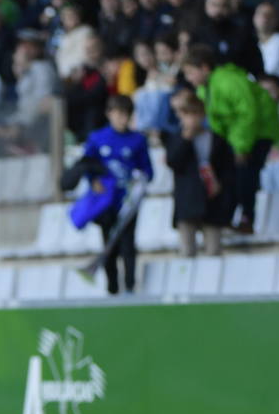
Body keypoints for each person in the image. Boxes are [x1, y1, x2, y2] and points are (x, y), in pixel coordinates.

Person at [182, 44, 279, 233]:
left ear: (204, 68)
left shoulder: (229, 82)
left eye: (190, 72)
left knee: (245, 173)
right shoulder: (204, 90)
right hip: (236, 137)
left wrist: (241, 148)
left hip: (258, 132)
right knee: (229, 174)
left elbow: (247, 115)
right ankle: (226, 217)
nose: (188, 78)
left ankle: (247, 218)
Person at [82, 95, 153, 293]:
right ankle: (112, 288)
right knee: (109, 245)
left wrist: (139, 179)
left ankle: (130, 286)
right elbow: (87, 165)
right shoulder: (97, 138)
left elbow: (148, 170)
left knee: (128, 245)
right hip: (106, 202)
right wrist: (94, 181)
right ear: (109, 114)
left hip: (128, 202)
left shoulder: (138, 140)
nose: (122, 118)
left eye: (126, 114)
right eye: (118, 114)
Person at [165, 97, 235, 256]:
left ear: (203, 115)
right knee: (187, 251)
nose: (192, 119)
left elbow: (227, 169)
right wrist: (186, 138)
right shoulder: (176, 139)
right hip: (187, 199)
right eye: (188, 114)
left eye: (196, 114)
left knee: (214, 250)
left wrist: (220, 186)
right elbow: (173, 162)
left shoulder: (217, 140)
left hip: (212, 199)